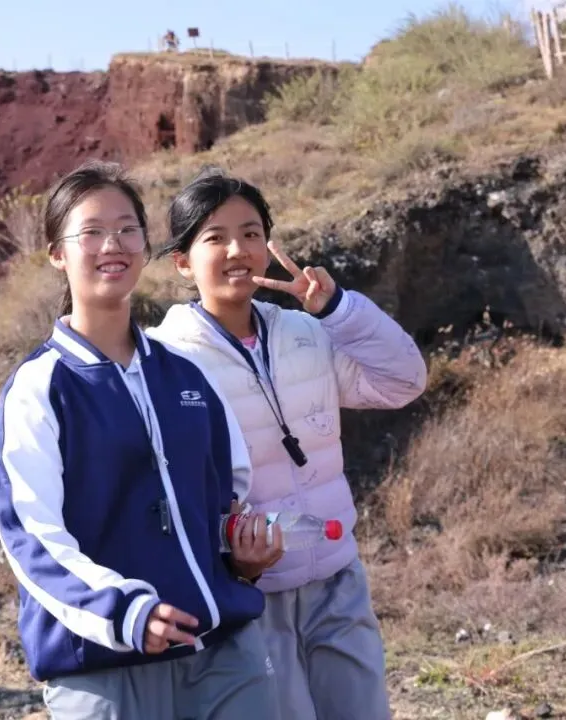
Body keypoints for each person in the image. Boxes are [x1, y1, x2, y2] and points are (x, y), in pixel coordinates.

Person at [0, 160, 283, 720]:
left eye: (127, 229)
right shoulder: (40, 387)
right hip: (103, 664)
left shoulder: (186, 374)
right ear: (56, 253)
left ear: (146, 246)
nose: (113, 245)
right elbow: (32, 537)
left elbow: (224, 502)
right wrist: (122, 611)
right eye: (92, 232)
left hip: (221, 652)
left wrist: (245, 554)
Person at [146, 168, 428, 720]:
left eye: (251, 234)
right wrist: (233, 557)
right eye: (216, 237)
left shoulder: (306, 333)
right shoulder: (165, 361)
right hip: (249, 595)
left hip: (337, 580)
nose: (238, 250)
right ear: (182, 262)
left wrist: (338, 309)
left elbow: (404, 381)